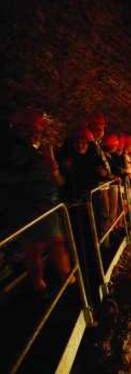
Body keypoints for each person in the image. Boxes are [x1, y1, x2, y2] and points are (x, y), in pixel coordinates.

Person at [1, 110, 70, 292]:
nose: (35, 132)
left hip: (45, 203)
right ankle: (44, 284)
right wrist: (40, 170)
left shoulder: (34, 150)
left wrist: (53, 172)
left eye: (37, 129)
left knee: (53, 243)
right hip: (28, 205)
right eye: (31, 129)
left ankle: (63, 278)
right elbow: (8, 178)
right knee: (37, 248)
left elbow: (56, 179)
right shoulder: (12, 150)